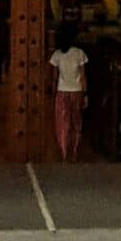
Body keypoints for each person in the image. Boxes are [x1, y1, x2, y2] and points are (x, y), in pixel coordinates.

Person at [50, 19, 89, 161]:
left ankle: (64, 151)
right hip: (77, 90)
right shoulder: (80, 54)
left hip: (62, 91)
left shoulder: (57, 55)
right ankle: (74, 150)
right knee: (76, 122)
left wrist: (53, 94)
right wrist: (85, 94)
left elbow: (55, 78)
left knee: (63, 123)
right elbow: (83, 76)